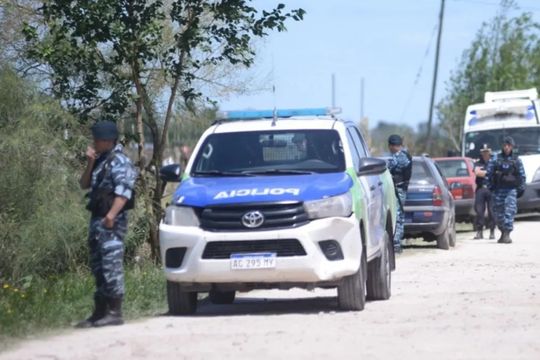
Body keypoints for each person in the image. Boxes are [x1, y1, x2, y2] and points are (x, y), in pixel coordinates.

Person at [77, 121, 137, 327]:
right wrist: (90, 162)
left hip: (111, 222)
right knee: (98, 266)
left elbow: (124, 192)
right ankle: (100, 311)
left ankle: (114, 312)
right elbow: (84, 184)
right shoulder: (101, 161)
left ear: (107, 140)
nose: (94, 142)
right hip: (97, 221)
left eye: (96, 139)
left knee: (111, 265)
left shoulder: (119, 161)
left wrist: (111, 216)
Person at [486, 136, 526, 244]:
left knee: (509, 211)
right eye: (505, 145)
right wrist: (490, 187)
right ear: (502, 146)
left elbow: (522, 176)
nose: (507, 147)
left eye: (509, 145)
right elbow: (488, 174)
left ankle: (507, 233)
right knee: (498, 212)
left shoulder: (517, 160)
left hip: (511, 190)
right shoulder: (495, 159)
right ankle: (502, 231)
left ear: (512, 146)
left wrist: (521, 189)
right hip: (498, 190)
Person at [386, 134, 412, 253]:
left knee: (398, 215)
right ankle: (395, 242)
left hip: (399, 189)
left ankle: (396, 243)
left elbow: (391, 167)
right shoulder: (397, 156)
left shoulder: (402, 157)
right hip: (396, 189)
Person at [473, 144, 496, 239]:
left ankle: (492, 231)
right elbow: (477, 172)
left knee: (492, 211)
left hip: (491, 188)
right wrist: (489, 172)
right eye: (483, 151)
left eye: (487, 151)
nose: (485, 153)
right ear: (481, 152)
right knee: (479, 211)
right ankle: (479, 231)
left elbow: (496, 172)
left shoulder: (494, 161)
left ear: (490, 152)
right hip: (481, 188)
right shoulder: (477, 162)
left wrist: (485, 172)